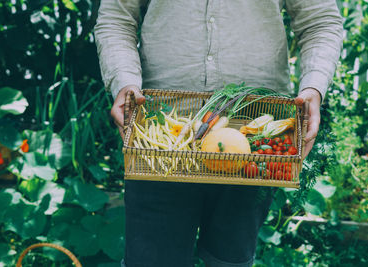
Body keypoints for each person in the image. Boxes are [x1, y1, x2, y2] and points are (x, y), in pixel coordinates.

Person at [94, 1, 343, 266]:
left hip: (252, 147)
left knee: (231, 261)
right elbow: (117, 17)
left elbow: (320, 21)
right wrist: (124, 81)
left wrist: (314, 87)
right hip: (160, 142)